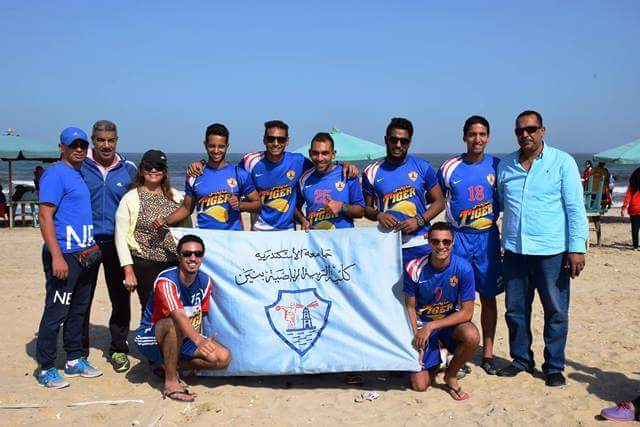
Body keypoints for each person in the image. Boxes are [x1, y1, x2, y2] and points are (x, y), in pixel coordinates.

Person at [496, 110, 588, 387]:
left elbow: (575, 208)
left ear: (542, 130)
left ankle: (554, 366)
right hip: (515, 252)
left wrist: (576, 248)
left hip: (552, 252)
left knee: (556, 311)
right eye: (520, 130)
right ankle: (521, 360)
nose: (525, 134)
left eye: (531, 129)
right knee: (515, 311)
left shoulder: (562, 162)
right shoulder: (506, 165)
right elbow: (502, 203)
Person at [186, 120, 358, 231]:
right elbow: (224, 169)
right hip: (259, 231)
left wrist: (344, 165)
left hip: (287, 231)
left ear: (287, 141)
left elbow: (321, 164)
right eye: (271, 139)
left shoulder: (298, 161)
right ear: (264, 140)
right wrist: (201, 163)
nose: (276, 143)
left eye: (281, 139)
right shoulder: (251, 161)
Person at [35, 127, 103, 389]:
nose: (79, 149)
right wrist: (56, 256)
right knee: (56, 311)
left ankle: (74, 359)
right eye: (73, 145)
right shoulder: (54, 175)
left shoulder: (80, 172)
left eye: (82, 145)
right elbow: (45, 216)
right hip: (65, 254)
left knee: (78, 310)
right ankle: (46, 367)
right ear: (61, 147)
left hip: (85, 253)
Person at [437, 115, 502, 375]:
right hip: (459, 238)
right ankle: (456, 351)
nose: (477, 139)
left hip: (487, 238)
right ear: (464, 136)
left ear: (488, 137)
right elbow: (435, 198)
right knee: (455, 298)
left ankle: (487, 354)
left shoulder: (497, 166)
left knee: (488, 298)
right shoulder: (449, 167)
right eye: (472, 134)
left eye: (482, 134)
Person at [134, 234, 231, 402]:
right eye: (187, 254)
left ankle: (170, 364)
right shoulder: (166, 280)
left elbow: (200, 315)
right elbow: (178, 315)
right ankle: (171, 382)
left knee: (222, 358)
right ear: (179, 256)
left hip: (185, 337)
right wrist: (198, 341)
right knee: (174, 324)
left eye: (198, 254)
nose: (193, 258)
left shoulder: (205, 281)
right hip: (151, 337)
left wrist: (201, 340)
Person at [81, 120, 137, 373]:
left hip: (117, 244)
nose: (106, 145)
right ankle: (78, 351)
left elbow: (148, 192)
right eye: (101, 140)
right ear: (93, 140)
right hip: (86, 243)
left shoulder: (129, 169)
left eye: (111, 140)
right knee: (82, 299)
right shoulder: (79, 166)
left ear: (117, 141)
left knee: (120, 298)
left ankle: (118, 348)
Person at [403, 221, 480, 400]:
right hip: (421, 324)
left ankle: (450, 376)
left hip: (446, 323)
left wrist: (432, 326)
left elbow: (467, 312)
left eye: (446, 241)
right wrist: (416, 335)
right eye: (435, 241)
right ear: (428, 241)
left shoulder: (463, 268)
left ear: (453, 243)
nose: (441, 246)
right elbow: (410, 307)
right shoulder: (414, 268)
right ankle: (441, 354)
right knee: (420, 386)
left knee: (472, 336)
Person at [362, 117, 445, 267]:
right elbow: (366, 209)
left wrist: (418, 221)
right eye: (394, 140)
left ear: (410, 142)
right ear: (386, 139)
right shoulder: (371, 171)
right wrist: (379, 215)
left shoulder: (423, 167)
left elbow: (440, 202)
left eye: (404, 141)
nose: (398, 145)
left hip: (420, 243)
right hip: (388, 243)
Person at [115, 150, 187, 320]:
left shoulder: (176, 197)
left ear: (164, 171)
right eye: (149, 167)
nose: (154, 170)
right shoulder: (130, 198)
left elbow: (186, 231)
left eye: (159, 167)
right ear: (142, 169)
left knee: (176, 308)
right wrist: (128, 270)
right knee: (151, 309)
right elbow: (120, 237)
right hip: (146, 263)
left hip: (174, 263)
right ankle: (149, 337)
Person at [156, 123, 261, 230]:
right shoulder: (195, 175)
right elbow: (187, 209)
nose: (216, 150)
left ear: (227, 146)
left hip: (233, 237)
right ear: (205, 145)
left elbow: (257, 204)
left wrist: (240, 205)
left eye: (221, 146)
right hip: (204, 237)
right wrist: (165, 220)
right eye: (212, 146)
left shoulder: (239, 173)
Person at [295, 132, 365, 230]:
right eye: (315, 153)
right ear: (310, 153)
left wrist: (342, 207)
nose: (320, 158)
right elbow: (294, 207)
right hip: (315, 238)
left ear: (333, 154)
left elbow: (361, 211)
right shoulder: (304, 179)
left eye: (325, 153)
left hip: (344, 238)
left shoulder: (347, 174)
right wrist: (303, 220)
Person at [621, 167, 640, 250]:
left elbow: (628, 197)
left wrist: (623, 208)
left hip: (634, 208)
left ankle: (635, 246)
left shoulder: (632, 186)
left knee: (635, 228)